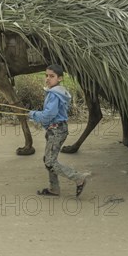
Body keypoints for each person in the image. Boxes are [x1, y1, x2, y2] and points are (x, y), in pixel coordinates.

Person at [28, 64, 89, 197]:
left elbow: (48, 114)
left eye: (52, 76)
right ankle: (54, 189)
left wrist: (33, 115)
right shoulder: (56, 92)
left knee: (50, 162)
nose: (48, 79)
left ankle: (78, 178)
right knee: (48, 159)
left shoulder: (55, 94)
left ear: (60, 78)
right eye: (46, 76)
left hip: (57, 131)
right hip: (55, 130)